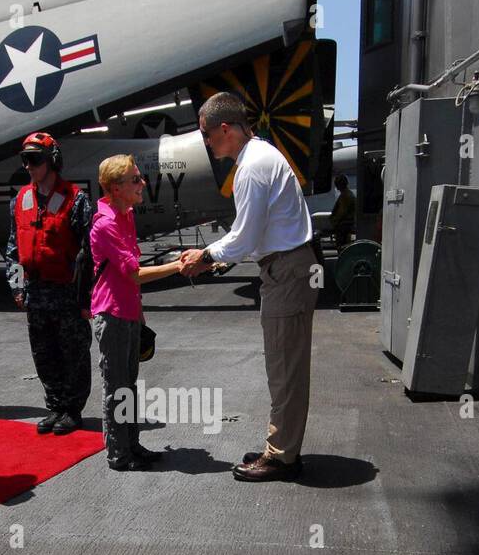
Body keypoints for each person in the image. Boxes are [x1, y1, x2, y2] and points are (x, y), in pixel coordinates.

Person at [181, 92, 317, 482]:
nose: (207, 143)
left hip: (286, 272)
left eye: (207, 134)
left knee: (284, 368)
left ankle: (282, 457)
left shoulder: (252, 166)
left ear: (225, 129)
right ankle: (283, 446)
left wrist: (203, 256)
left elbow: (243, 237)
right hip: (288, 269)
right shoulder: (262, 156)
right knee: (284, 364)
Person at [89, 154, 183, 470]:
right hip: (112, 315)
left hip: (127, 313)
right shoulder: (105, 224)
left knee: (128, 385)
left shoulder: (125, 215)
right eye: (135, 180)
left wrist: (140, 314)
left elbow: (130, 282)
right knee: (116, 387)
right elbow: (134, 274)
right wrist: (179, 266)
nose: (142, 183)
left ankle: (132, 445)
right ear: (116, 187)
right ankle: (118, 454)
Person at [5, 132, 94, 436]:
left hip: (66, 294)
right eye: (25, 160)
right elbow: (13, 249)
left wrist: (85, 300)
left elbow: (89, 253)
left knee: (74, 354)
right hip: (36, 293)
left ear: (52, 161)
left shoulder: (76, 200)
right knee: (44, 355)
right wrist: (18, 287)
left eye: (34, 159)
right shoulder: (21, 200)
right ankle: (55, 407)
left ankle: (72, 409)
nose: (28, 166)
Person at [328, 174, 356, 250]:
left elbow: (341, 213)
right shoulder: (346, 194)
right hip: (344, 228)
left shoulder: (346, 196)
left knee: (342, 249)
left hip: (343, 229)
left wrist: (334, 222)